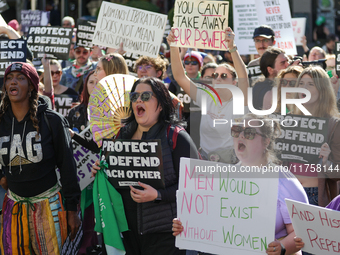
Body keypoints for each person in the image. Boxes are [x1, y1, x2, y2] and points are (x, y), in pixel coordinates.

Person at [173, 114, 309, 255]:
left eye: (250, 133)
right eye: (237, 131)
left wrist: (281, 248)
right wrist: (186, 226)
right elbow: (209, 225)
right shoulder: (222, 178)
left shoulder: (284, 181)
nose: (241, 136)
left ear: (266, 142)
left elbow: (302, 232)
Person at [92, 77, 199, 254]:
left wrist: (158, 195)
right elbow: (115, 179)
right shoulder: (122, 134)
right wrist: (101, 170)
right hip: (126, 232)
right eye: (134, 96)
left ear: (161, 105)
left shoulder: (176, 136)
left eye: (146, 96)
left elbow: (195, 185)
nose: (139, 100)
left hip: (164, 233)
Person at [0, 62, 81, 254]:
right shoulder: (0, 121)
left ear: (31, 87)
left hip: (49, 207)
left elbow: (68, 167)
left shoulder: (51, 120)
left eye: (21, 78)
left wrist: (72, 211)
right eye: (10, 78)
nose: (14, 82)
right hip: (13, 207)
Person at [167, 26, 249, 164]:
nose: (218, 78)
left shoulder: (239, 101)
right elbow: (180, 77)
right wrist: (174, 47)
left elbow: (244, 78)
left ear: (234, 82)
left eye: (224, 76)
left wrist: (232, 48)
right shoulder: (206, 98)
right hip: (205, 162)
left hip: (231, 164)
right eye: (215, 75)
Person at [290, 66, 340, 207]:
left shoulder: (334, 125)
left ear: (322, 90)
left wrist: (326, 162)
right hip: (288, 194)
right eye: (301, 84)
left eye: (310, 84)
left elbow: (337, 174)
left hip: (315, 196)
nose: (303, 88)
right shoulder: (287, 121)